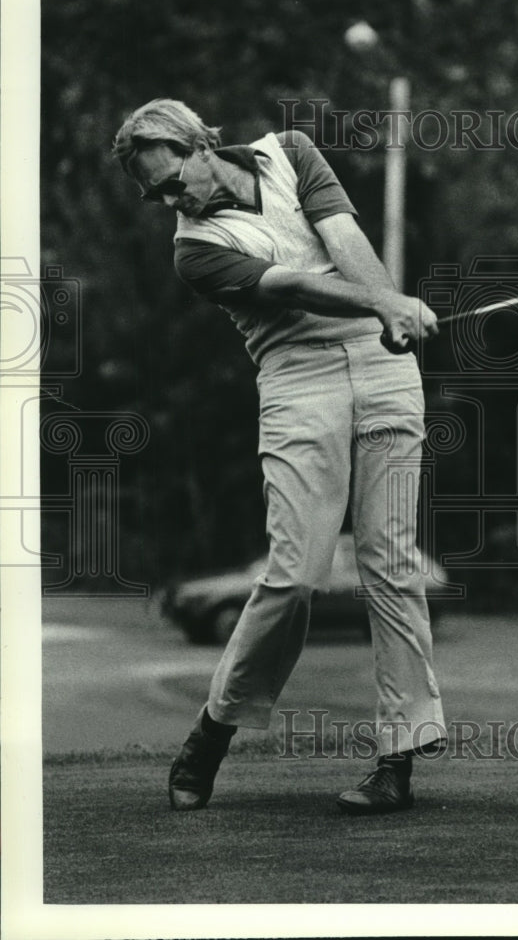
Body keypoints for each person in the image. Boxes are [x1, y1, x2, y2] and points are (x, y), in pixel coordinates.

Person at [112, 98, 446, 815]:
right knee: (295, 575)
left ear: (202, 144)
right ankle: (215, 727)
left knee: (392, 564)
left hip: (382, 365)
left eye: (174, 181)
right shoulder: (192, 249)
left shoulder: (291, 151)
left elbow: (345, 240)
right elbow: (291, 287)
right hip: (298, 379)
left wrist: (387, 304)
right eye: (157, 194)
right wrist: (381, 305)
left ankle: (397, 760)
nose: (172, 200)